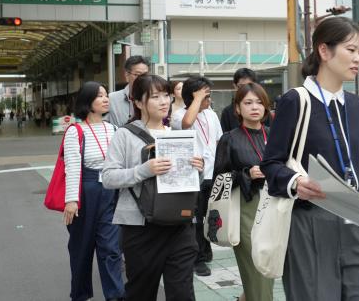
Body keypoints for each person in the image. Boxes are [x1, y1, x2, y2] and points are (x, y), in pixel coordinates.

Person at [261, 16, 359, 300]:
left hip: (356, 214)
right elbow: (271, 164)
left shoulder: (357, 106)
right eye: (351, 50)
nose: (358, 59)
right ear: (324, 51)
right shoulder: (296, 100)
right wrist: (294, 182)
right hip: (311, 218)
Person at [102, 75, 204, 301]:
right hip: (141, 228)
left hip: (180, 224)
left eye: (166, 95)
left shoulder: (178, 134)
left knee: (182, 293)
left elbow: (190, 181)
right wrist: (144, 170)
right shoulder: (125, 135)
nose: (164, 101)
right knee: (141, 292)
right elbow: (108, 177)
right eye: (155, 97)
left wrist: (199, 168)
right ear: (138, 102)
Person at [62, 82, 125, 301]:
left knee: (111, 248)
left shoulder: (115, 128)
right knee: (82, 250)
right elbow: (72, 166)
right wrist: (71, 200)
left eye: (106, 95)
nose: (106, 99)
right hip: (86, 193)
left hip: (111, 191)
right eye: (100, 96)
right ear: (88, 101)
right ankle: (80, 295)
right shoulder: (75, 131)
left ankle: (115, 296)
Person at [213, 83, 275, 301]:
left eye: (259, 102)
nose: (255, 107)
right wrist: (247, 174)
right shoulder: (229, 138)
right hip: (245, 207)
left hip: (276, 206)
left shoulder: (275, 135)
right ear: (237, 109)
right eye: (248, 103)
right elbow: (219, 181)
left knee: (269, 265)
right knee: (257, 265)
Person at [171, 76, 223, 277]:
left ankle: (205, 249)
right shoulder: (179, 114)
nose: (208, 99)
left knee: (210, 216)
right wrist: (197, 99)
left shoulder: (211, 115)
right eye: (205, 95)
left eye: (208, 95)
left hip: (213, 172)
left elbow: (218, 141)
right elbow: (186, 123)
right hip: (193, 175)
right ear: (192, 97)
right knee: (196, 219)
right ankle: (197, 259)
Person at [106, 55, 150, 127]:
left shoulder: (153, 97)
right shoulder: (112, 99)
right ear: (127, 75)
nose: (142, 79)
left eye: (145, 75)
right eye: (137, 74)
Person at [220, 68, 258, 133]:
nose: (246, 89)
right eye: (242, 86)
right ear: (235, 86)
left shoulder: (261, 108)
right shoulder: (227, 112)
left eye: (249, 85)